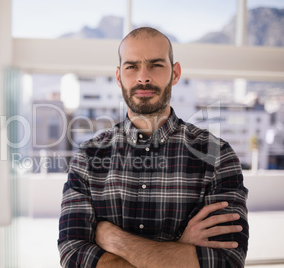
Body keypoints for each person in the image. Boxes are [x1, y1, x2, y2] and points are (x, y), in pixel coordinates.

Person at [58, 27, 248, 268]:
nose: (143, 77)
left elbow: (226, 261)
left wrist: (115, 240)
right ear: (118, 77)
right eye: (132, 67)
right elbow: (74, 257)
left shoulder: (217, 156)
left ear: (175, 73)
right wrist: (181, 247)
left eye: (156, 65)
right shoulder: (88, 157)